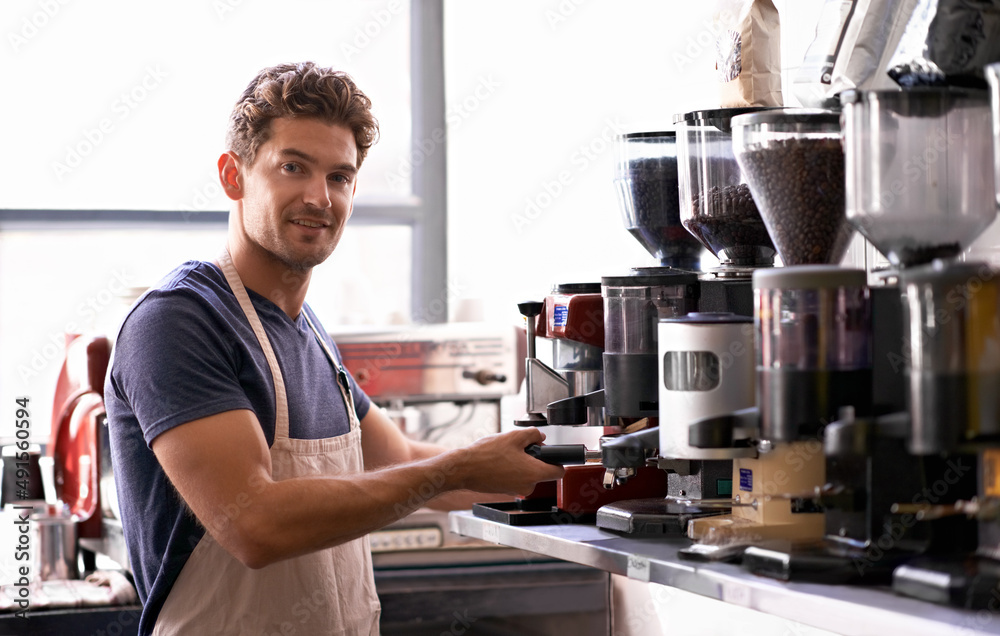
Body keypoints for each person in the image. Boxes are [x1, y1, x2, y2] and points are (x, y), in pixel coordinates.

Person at [104, 61, 565, 636]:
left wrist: (572, 463)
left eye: (340, 177)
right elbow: (254, 525)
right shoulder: (178, 323)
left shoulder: (310, 334)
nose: (319, 197)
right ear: (233, 176)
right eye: (293, 167)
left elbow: (400, 462)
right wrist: (454, 470)